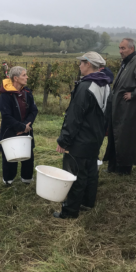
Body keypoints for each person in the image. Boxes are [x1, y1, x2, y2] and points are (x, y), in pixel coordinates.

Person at [54, 52, 111, 219]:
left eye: (81, 63)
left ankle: (70, 211)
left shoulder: (85, 87)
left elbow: (74, 117)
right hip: (95, 137)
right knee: (91, 171)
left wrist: (64, 140)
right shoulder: (105, 85)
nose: (79, 66)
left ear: (88, 64)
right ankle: (87, 201)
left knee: (75, 174)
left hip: (80, 139)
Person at [103, 38, 136, 175]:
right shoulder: (127, 62)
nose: (120, 51)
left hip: (131, 107)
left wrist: (135, 94)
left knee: (126, 135)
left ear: (131, 48)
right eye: (119, 48)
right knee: (116, 133)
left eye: (123, 48)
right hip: (121, 106)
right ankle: (113, 165)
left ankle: (124, 168)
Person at [0, 66, 38, 185]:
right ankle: (8, 180)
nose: (27, 77)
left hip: (27, 129)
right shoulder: (5, 96)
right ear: (16, 78)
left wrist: (25, 126)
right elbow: (6, 116)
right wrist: (20, 127)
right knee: (10, 156)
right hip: (10, 130)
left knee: (28, 155)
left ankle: (27, 179)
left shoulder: (27, 92)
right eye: (24, 75)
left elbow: (33, 110)